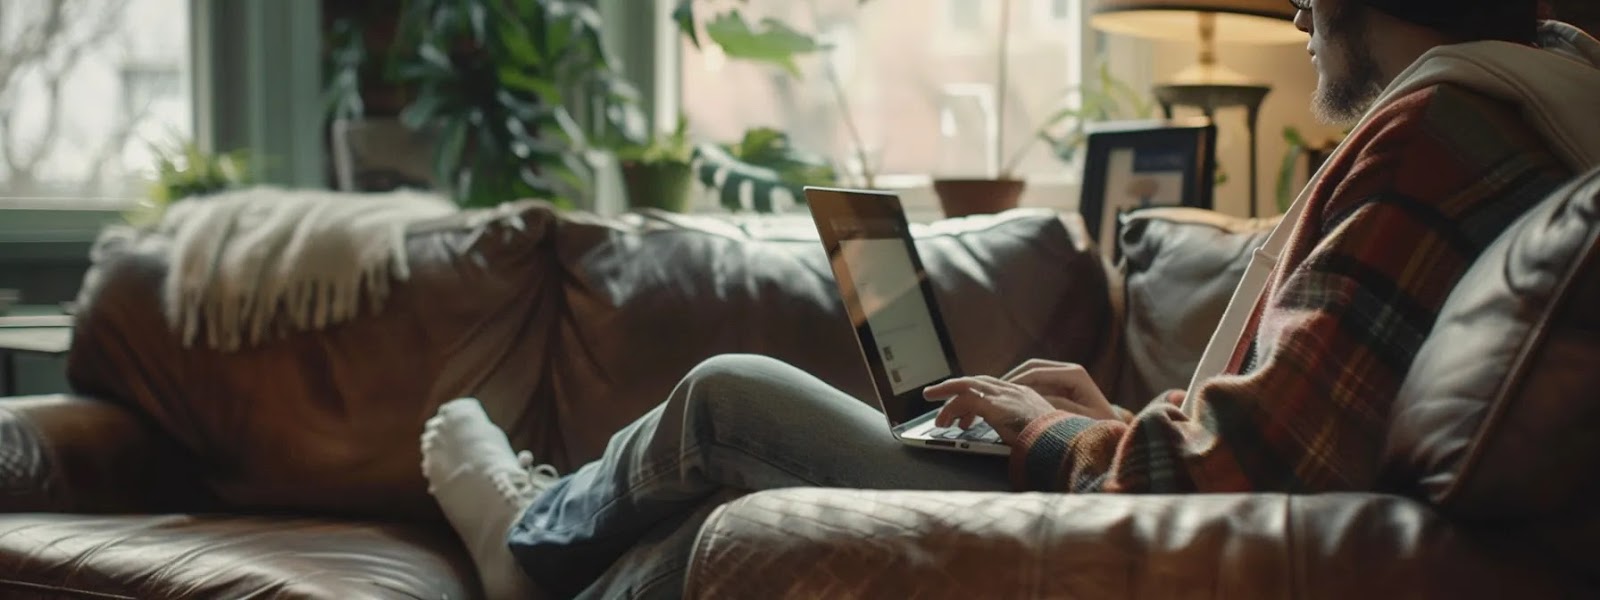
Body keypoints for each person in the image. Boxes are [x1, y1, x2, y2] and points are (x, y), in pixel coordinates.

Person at [419, 2, 1600, 598]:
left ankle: (526, 539)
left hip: (1158, 544)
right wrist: (1103, 418)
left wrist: (1056, 437)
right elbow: (1274, 442)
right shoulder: (1534, 107)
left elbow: (1241, 480)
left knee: (729, 407)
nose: (1292, 11)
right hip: (1170, 517)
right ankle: (546, 530)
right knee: (696, 533)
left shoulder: (1441, 134)